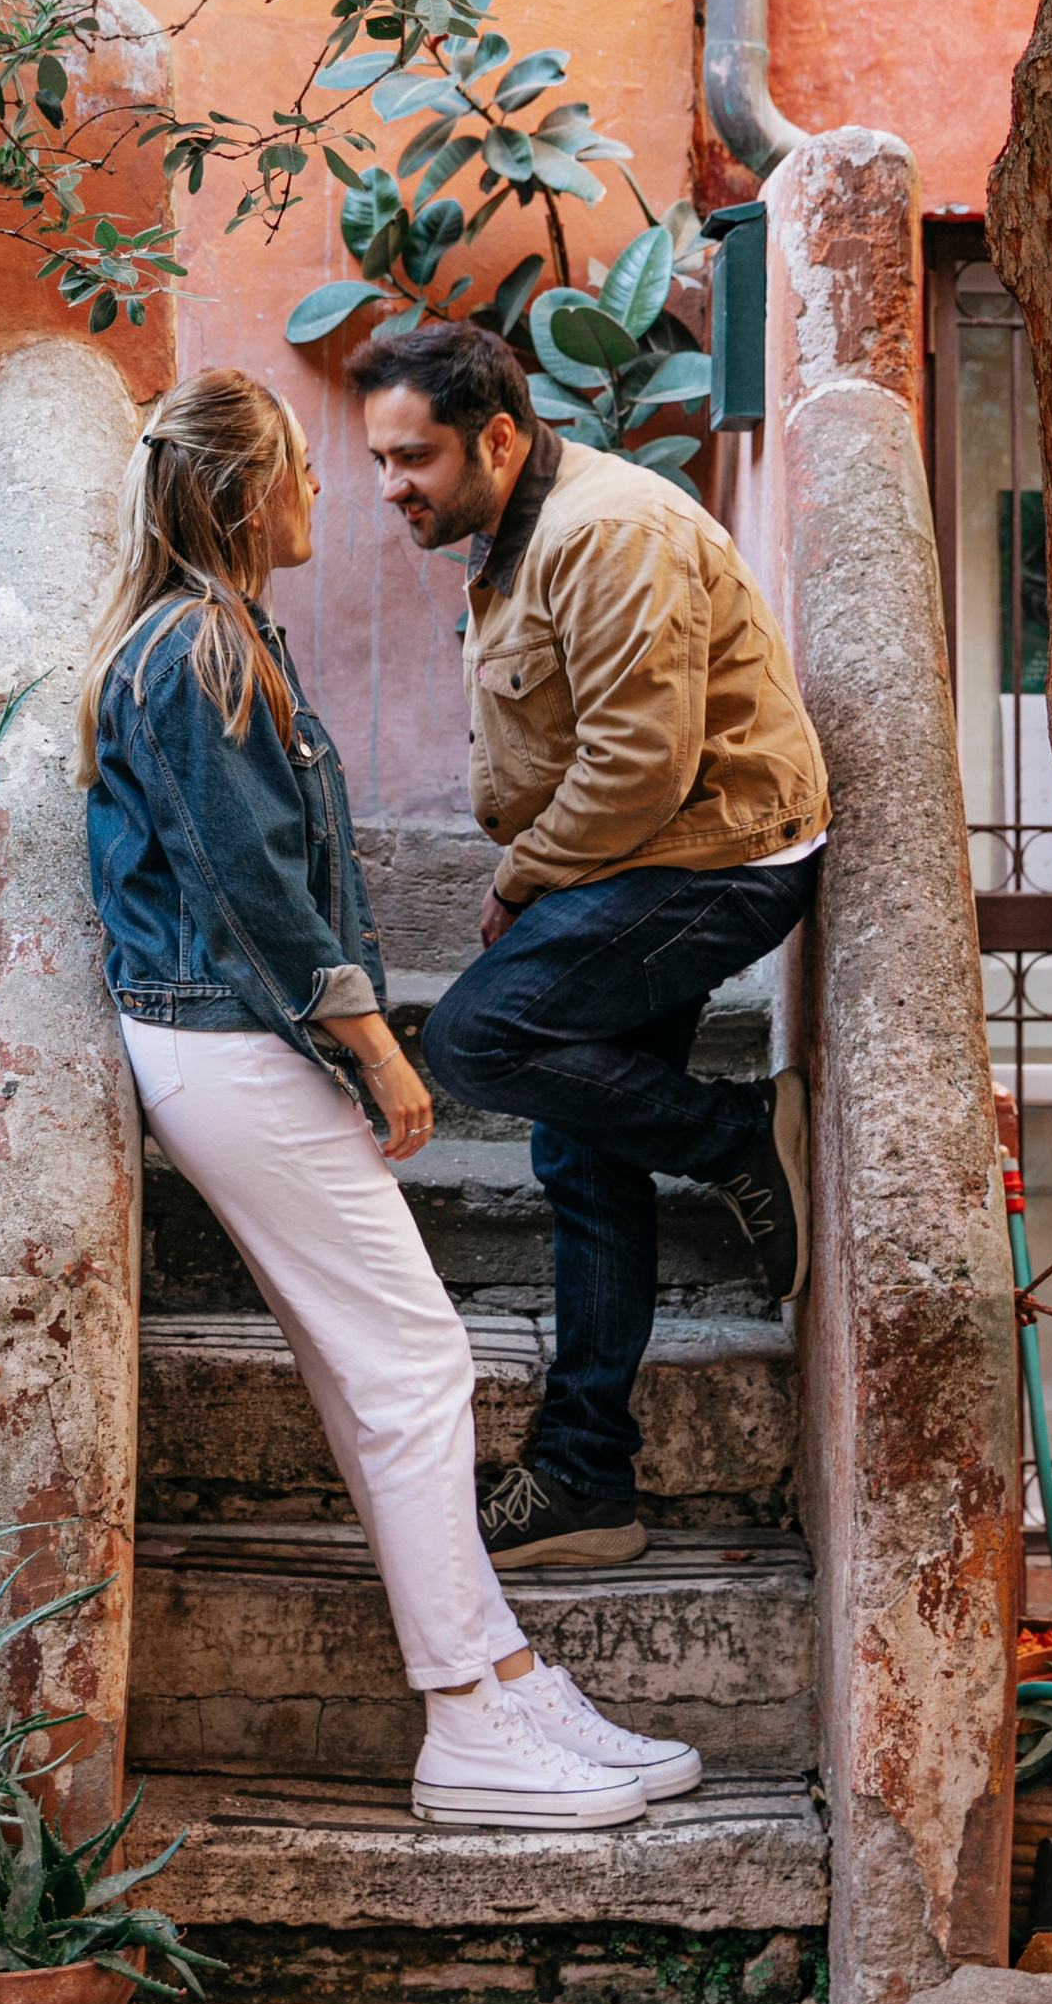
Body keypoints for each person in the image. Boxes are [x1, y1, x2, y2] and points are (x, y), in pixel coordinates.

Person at [77, 365, 703, 1829]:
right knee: (419, 1367)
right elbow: (254, 894)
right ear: (239, 496)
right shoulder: (196, 655)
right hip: (231, 1045)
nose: (325, 491)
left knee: (381, 1378)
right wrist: (376, 1046)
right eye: (299, 467)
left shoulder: (219, 641)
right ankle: (473, 1721)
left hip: (230, 1046)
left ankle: (497, 1679)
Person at [346, 319, 829, 1572]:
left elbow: (640, 766)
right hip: (632, 855)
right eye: (381, 459)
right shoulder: (509, 533)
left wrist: (522, 877)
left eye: (414, 459)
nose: (390, 487)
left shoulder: (607, 534)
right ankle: (587, 1481)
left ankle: (734, 1138)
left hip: (718, 857)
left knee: (475, 1036)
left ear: (496, 437)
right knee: (583, 1144)